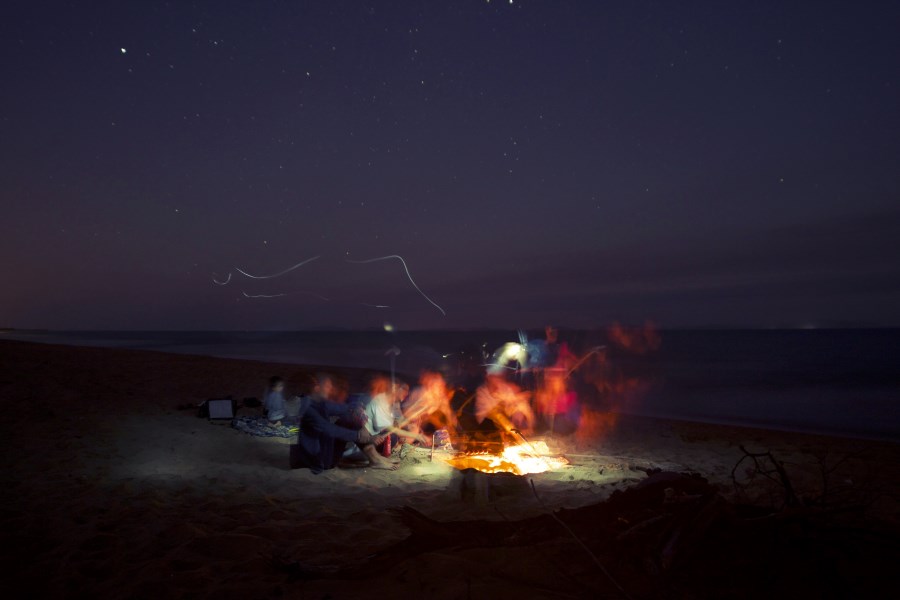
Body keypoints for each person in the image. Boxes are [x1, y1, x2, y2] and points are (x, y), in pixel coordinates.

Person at [290, 373, 389, 473]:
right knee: (346, 421)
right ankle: (375, 459)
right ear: (317, 388)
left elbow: (345, 407)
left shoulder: (320, 403)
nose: (331, 389)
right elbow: (331, 430)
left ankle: (376, 458)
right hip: (319, 459)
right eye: (327, 386)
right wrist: (360, 436)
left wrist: (358, 411)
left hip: (325, 449)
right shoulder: (308, 409)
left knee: (348, 418)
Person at [475, 369, 535, 434]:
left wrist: (519, 411)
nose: (499, 379)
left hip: (512, 434)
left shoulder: (506, 389)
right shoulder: (482, 393)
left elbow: (517, 406)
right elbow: (485, 418)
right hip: (490, 434)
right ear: (487, 376)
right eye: (496, 376)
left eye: (501, 376)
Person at [403, 370, 458, 440]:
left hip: (424, 429)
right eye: (438, 382)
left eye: (442, 382)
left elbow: (448, 413)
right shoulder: (420, 393)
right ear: (430, 382)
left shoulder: (439, 396)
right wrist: (436, 422)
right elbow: (409, 413)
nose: (442, 385)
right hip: (409, 426)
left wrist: (452, 426)